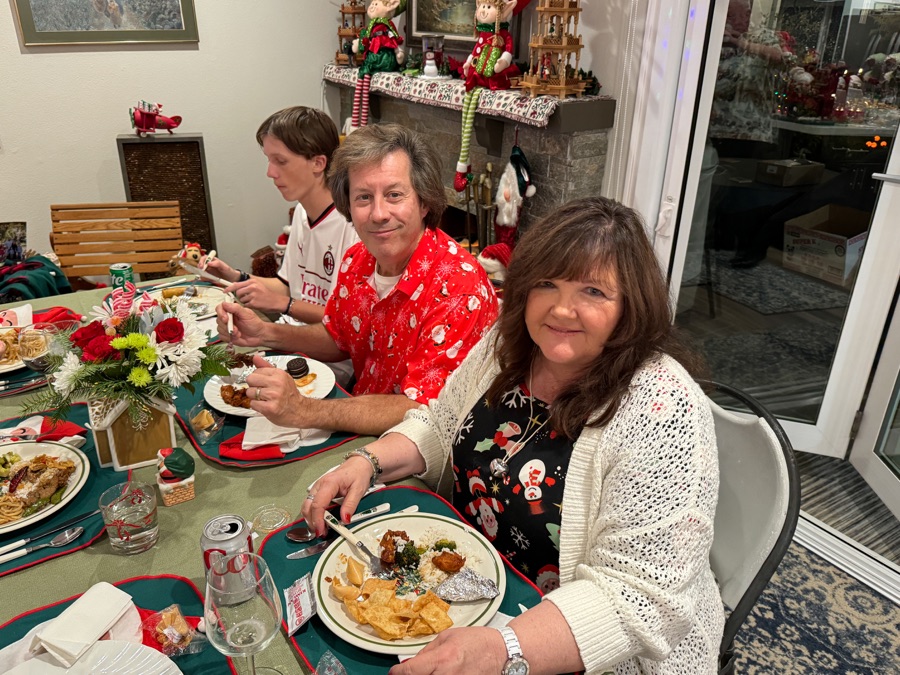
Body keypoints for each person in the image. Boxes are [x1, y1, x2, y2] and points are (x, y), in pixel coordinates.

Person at [304, 197, 724, 674]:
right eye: (547, 283)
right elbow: (441, 423)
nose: (562, 309)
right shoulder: (507, 344)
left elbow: (638, 599)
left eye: (593, 291)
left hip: (589, 649)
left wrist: (503, 648)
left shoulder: (664, 408)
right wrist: (367, 461)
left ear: (630, 306)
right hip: (471, 591)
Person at [216, 124, 499, 436]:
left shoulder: (459, 287)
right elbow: (338, 339)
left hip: (413, 447)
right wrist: (265, 332)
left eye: (394, 195)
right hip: (356, 421)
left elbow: (422, 407)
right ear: (347, 206)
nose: (378, 214)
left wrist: (304, 410)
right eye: (363, 197)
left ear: (424, 202)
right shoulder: (358, 259)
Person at [203, 106, 359, 383]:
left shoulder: (353, 226)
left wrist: (283, 305)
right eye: (269, 160)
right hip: (288, 340)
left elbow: (343, 321)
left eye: (281, 161)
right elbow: (288, 285)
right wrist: (234, 276)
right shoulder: (301, 212)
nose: (270, 172)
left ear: (318, 163)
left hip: (329, 361)